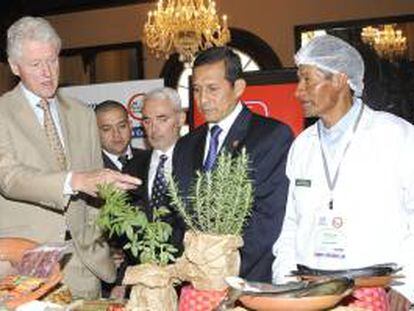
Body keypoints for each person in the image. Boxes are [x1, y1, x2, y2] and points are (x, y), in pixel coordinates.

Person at [0, 16, 140, 298]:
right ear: (15, 67)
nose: (47, 72)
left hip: (83, 264)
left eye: (52, 60)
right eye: (35, 64)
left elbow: (93, 192)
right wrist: (74, 180)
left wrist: (105, 237)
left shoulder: (83, 114)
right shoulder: (1, 113)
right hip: (26, 262)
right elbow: (9, 178)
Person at [272, 35, 414, 310]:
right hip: (309, 293)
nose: (298, 91)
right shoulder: (302, 145)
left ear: (339, 79)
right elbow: (291, 223)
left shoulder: (396, 136)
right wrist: (284, 285)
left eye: (307, 80)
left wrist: (409, 284)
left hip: (376, 293)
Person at [173, 46, 294, 283]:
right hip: (196, 280)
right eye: (196, 90)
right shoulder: (186, 145)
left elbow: (268, 220)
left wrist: (221, 267)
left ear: (238, 88)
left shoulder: (271, 136)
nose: (203, 100)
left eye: (212, 89)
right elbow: (179, 217)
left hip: (248, 281)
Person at [95, 100, 149, 298]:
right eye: (107, 129)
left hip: (150, 270)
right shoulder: (89, 172)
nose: (116, 135)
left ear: (130, 125)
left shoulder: (150, 159)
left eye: (122, 126)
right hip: (107, 275)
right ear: (95, 133)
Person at [141, 87, 186, 251]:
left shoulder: (197, 162)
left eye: (162, 119)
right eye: (147, 121)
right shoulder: (132, 167)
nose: (153, 129)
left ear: (180, 119)